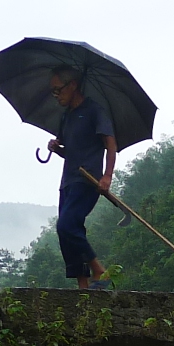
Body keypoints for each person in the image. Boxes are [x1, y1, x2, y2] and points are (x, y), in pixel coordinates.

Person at [47, 66, 118, 290]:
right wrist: (57, 149)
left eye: (59, 90)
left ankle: (99, 270)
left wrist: (107, 176)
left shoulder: (94, 111)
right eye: (54, 92)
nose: (57, 96)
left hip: (88, 180)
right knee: (68, 231)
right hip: (68, 180)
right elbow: (72, 151)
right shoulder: (66, 117)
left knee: (66, 225)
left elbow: (110, 143)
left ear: (73, 85)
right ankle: (83, 286)